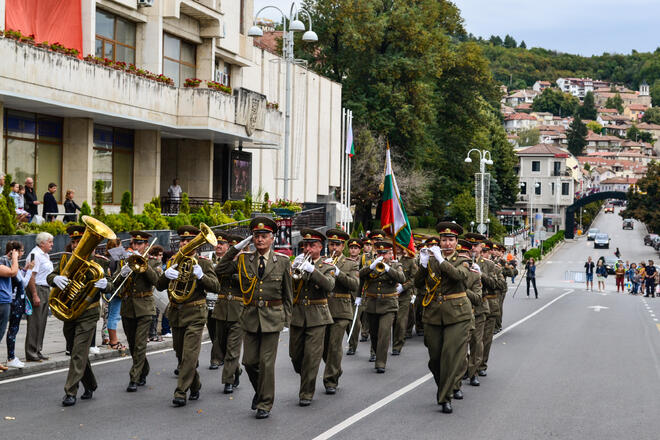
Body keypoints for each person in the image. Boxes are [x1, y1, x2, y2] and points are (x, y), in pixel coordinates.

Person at [215, 217, 292, 419]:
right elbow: (219, 270)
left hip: (272, 317)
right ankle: (260, 392)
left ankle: (265, 403)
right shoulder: (243, 259)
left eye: (264, 236)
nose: (259, 240)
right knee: (249, 362)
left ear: (272, 238)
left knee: (266, 364)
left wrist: (286, 321)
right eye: (256, 236)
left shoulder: (282, 262)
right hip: (249, 317)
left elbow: (288, 295)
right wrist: (236, 248)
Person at [47, 224, 114, 406]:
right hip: (69, 311)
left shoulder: (101, 262)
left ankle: (70, 392)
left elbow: (111, 286)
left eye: (80, 241)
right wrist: (55, 279)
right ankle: (90, 384)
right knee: (75, 350)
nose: (77, 245)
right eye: (74, 242)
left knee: (78, 352)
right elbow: (50, 277)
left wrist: (104, 285)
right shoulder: (65, 259)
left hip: (89, 312)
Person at [156, 225, 219, 407]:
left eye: (189, 240)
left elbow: (215, 287)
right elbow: (160, 287)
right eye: (182, 241)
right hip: (176, 312)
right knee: (181, 354)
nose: (185, 243)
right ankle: (195, 384)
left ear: (196, 244)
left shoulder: (203, 263)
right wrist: (166, 275)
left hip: (195, 314)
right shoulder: (173, 262)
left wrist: (201, 277)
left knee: (190, 355)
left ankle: (180, 391)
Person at [414, 221, 471, 414]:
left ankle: (444, 397)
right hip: (433, 313)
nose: (447, 244)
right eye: (444, 240)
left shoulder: (463, 260)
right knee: (435, 358)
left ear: (457, 242)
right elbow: (418, 283)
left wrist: (441, 260)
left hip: (457, 314)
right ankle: (448, 385)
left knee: (450, 356)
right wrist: (422, 265)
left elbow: (458, 277)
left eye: (451, 240)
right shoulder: (431, 260)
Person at [289, 229, 335, 406]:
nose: (306, 248)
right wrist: (293, 269)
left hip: (318, 317)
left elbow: (329, 285)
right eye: (304, 245)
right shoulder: (297, 263)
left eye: (311, 245)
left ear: (320, 248)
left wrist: (313, 270)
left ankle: (306, 393)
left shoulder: (327, 266)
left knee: (311, 357)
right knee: (295, 356)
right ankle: (306, 375)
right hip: (298, 315)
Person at [118, 231, 159, 393]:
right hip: (128, 307)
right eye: (134, 243)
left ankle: (134, 378)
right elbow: (115, 283)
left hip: (144, 307)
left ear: (146, 246)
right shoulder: (126, 262)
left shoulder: (153, 262)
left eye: (139, 244)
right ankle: (144, 369)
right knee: (134, 344)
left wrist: (143, 264)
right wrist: (122, 273)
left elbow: (156, 280)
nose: (135, 246)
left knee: (140, 344)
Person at [358, 239, 405, 373]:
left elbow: (401, 278)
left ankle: (380, 362)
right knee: (374, 334)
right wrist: (371, 266)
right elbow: (359, 275)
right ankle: (375, 351)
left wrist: (388, 268)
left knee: (384, 333)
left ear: (390, 254)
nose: (383, 256)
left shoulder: (396, 266)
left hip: (388, 305)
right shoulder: (370, 265)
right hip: (372, 304)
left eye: (385, 253)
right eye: (380, 252)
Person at [322, 229, 359, 394]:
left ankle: (330, 380)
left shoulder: (351, 264)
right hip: (324, 309)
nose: (334, 247)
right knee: (323, 347)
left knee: (334, 345)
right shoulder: (323, 261)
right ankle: (335, 369)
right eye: (331, 244)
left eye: (337, 244)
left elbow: (354, 284)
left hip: (342, 310)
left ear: (343, 246)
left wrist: (338, 272)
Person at [211, 233, 245, 394]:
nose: (235, 251)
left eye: (237, 248)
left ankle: (228, 381)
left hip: (239, 311)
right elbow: (218, 270)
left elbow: (247, 280)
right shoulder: (226, 264)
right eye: (232, 248)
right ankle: (235, 370)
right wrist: (231, 257)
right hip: (222, 309)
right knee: (222, 348)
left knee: (233, 349)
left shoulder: (248, 263)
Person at [25, 232, 54, 362]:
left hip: (45, 288)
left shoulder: (45, 255)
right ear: (42, 243)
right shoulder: (35, 255)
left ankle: (37, 349)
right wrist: (35, 295)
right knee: (35, 322)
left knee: (42, 321)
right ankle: (31, 352)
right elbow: (31, 275)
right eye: (50, 242)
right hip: (37, 288)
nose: (52, 244)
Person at [5, 241, 34, 369]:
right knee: (13, 330)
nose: (22, 253)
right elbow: (23, 282)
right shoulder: (12, 264)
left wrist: (26, 269)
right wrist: (30, 271)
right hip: (14, 302)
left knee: (12, 330)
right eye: (21, 251)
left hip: (13, 301)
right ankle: (11, 357)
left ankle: (11, 356)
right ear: (15, 251)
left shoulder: (9, 263)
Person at [392, 246, 417, 356]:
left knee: (401, 321)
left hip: (404, 296)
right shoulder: (388, 259)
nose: (397, 247)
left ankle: (397, 345)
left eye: (399, 245)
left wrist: (403, 287)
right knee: (390, 321)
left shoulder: (410, 261)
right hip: (389, 295)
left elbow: (414, 278)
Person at [0, 242, 20, 371]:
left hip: (4, 300)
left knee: (0, 332)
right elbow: (13, 272)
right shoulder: (1, 263)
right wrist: (14, 258)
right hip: (1, 301)